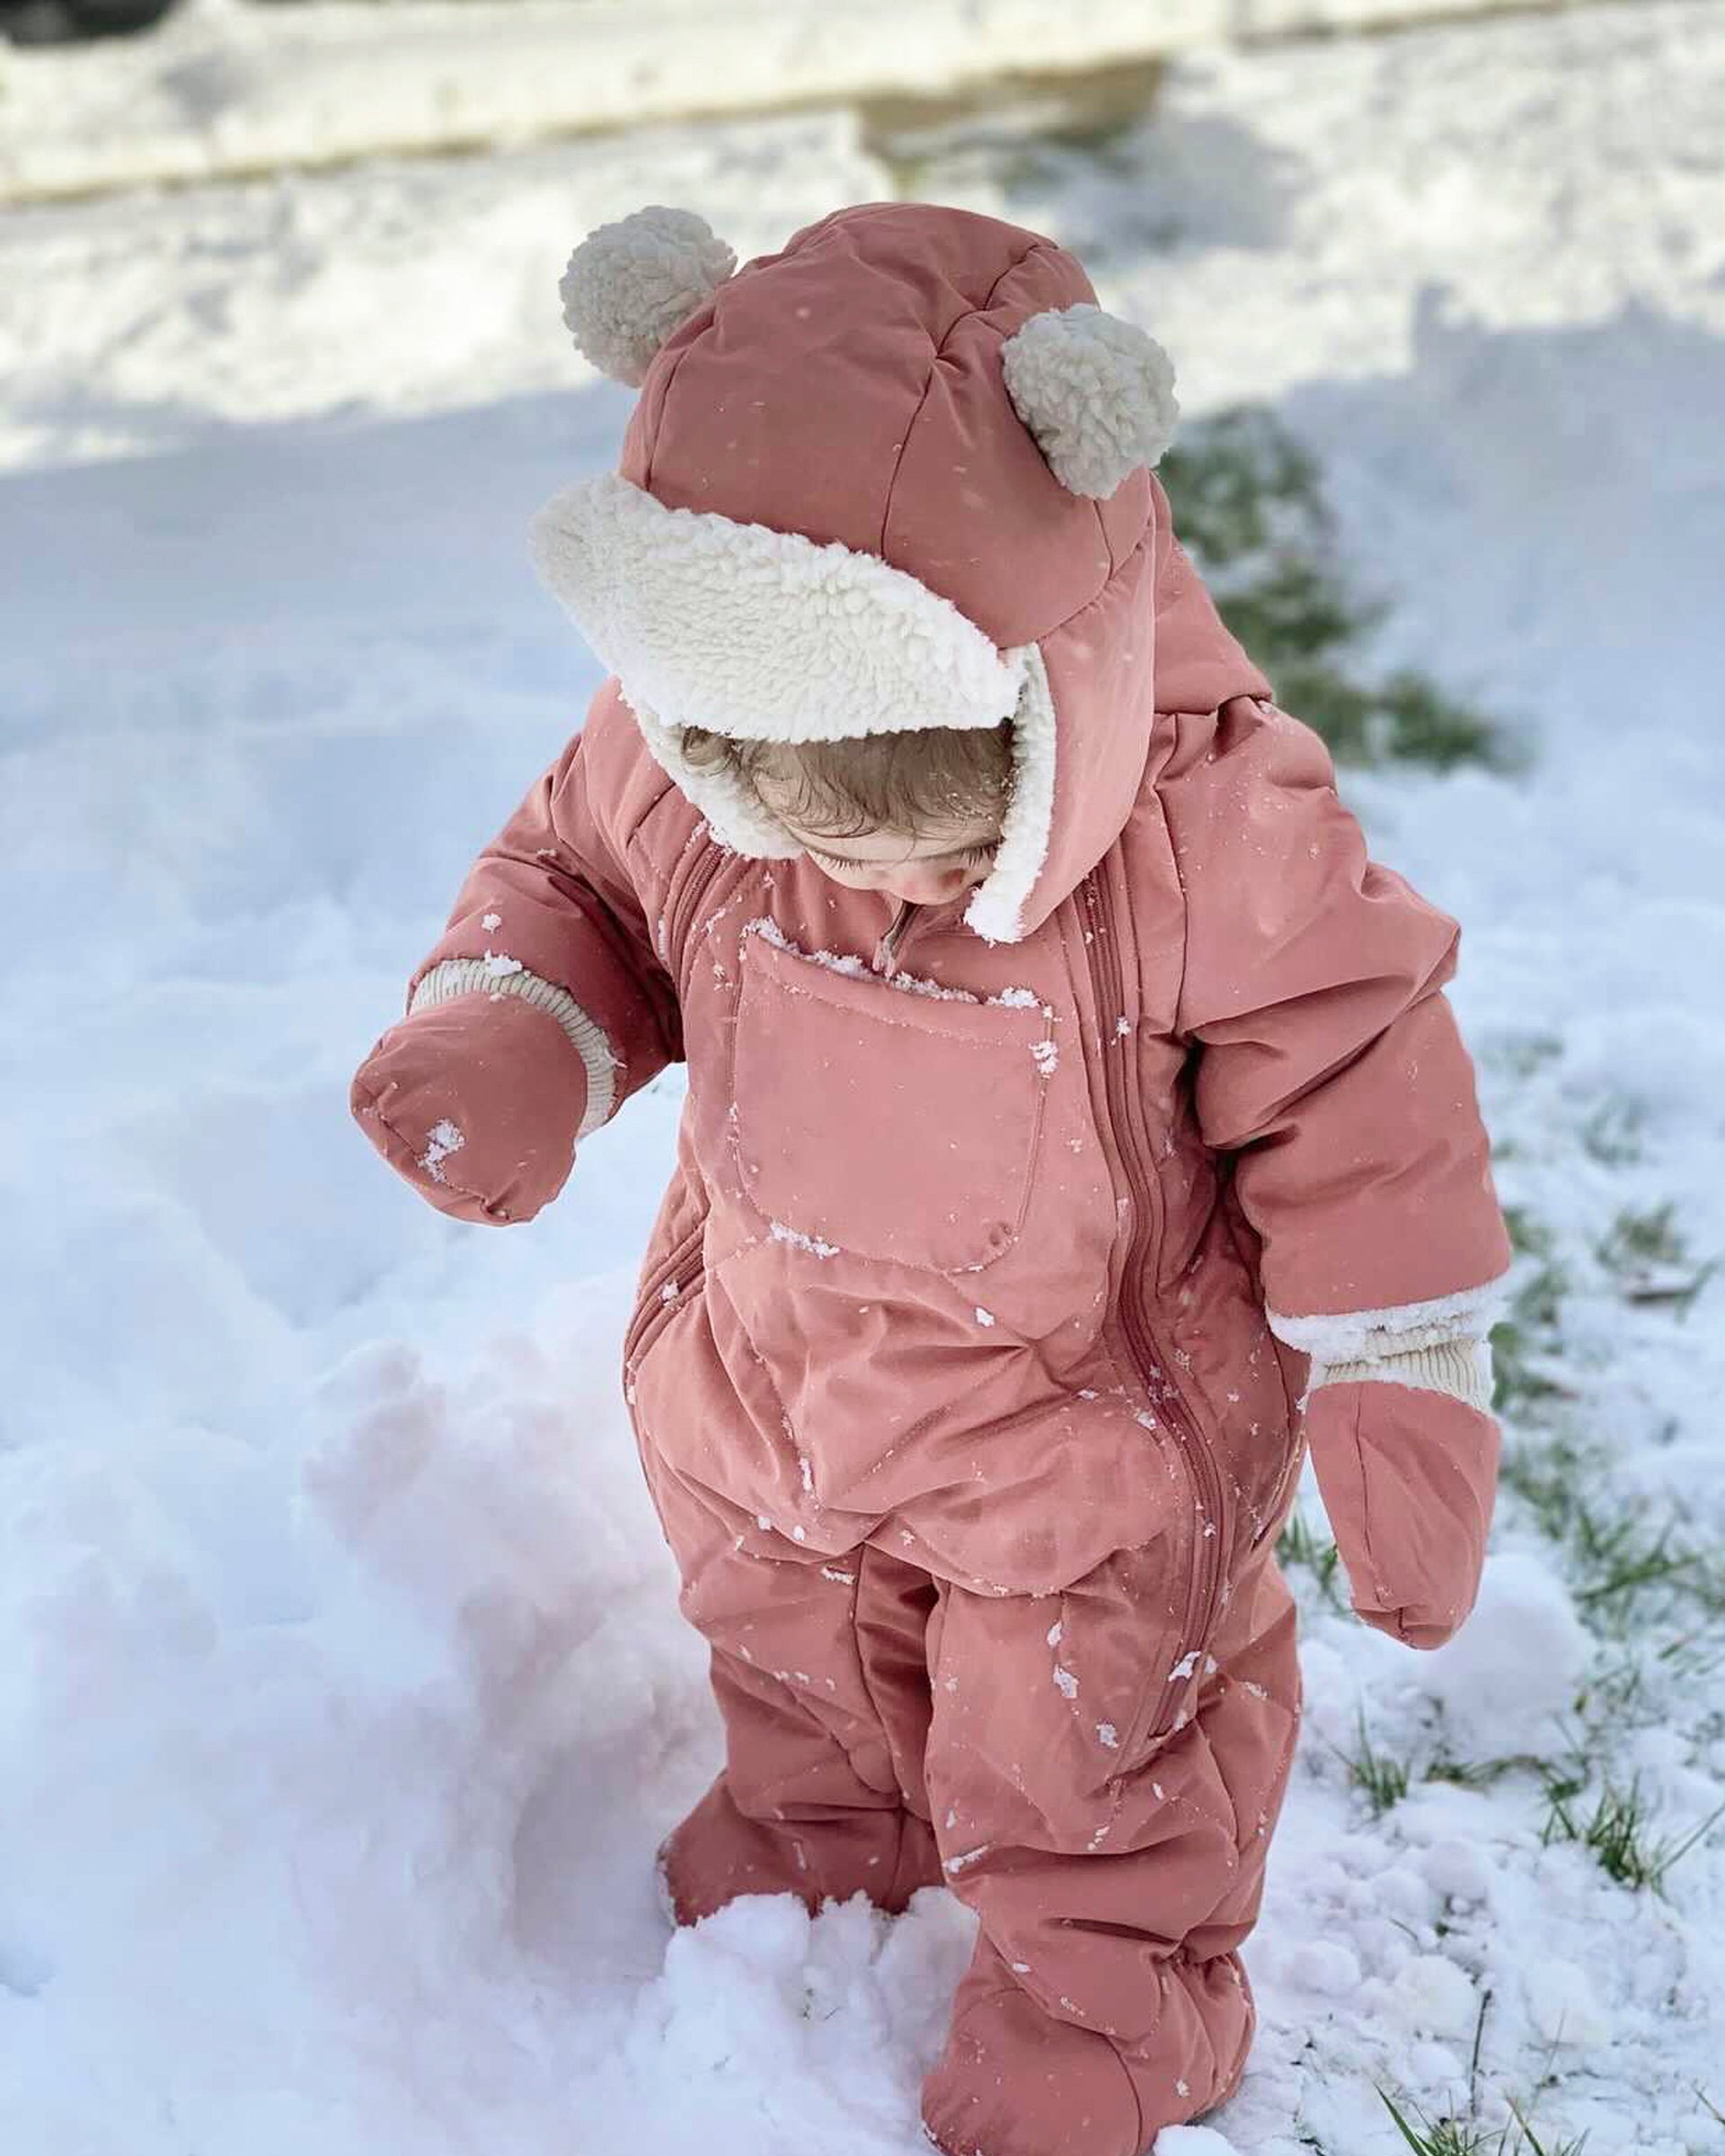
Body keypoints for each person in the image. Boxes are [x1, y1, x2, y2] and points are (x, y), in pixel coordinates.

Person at [349, 200, 1512, 2156]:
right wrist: (518, 1033)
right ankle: (827, 1825)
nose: (798, 815)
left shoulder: (1215, 830)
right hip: (767, 1383)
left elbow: (1358, 1057)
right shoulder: (693, 739)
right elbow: (579, 879)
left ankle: (1107, 2000)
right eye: (742, 754)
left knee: (1087, 1740)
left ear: (1050, 664)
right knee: (785, 1643)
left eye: (881, 777)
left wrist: (1403, 1365)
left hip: (1087, 1443)